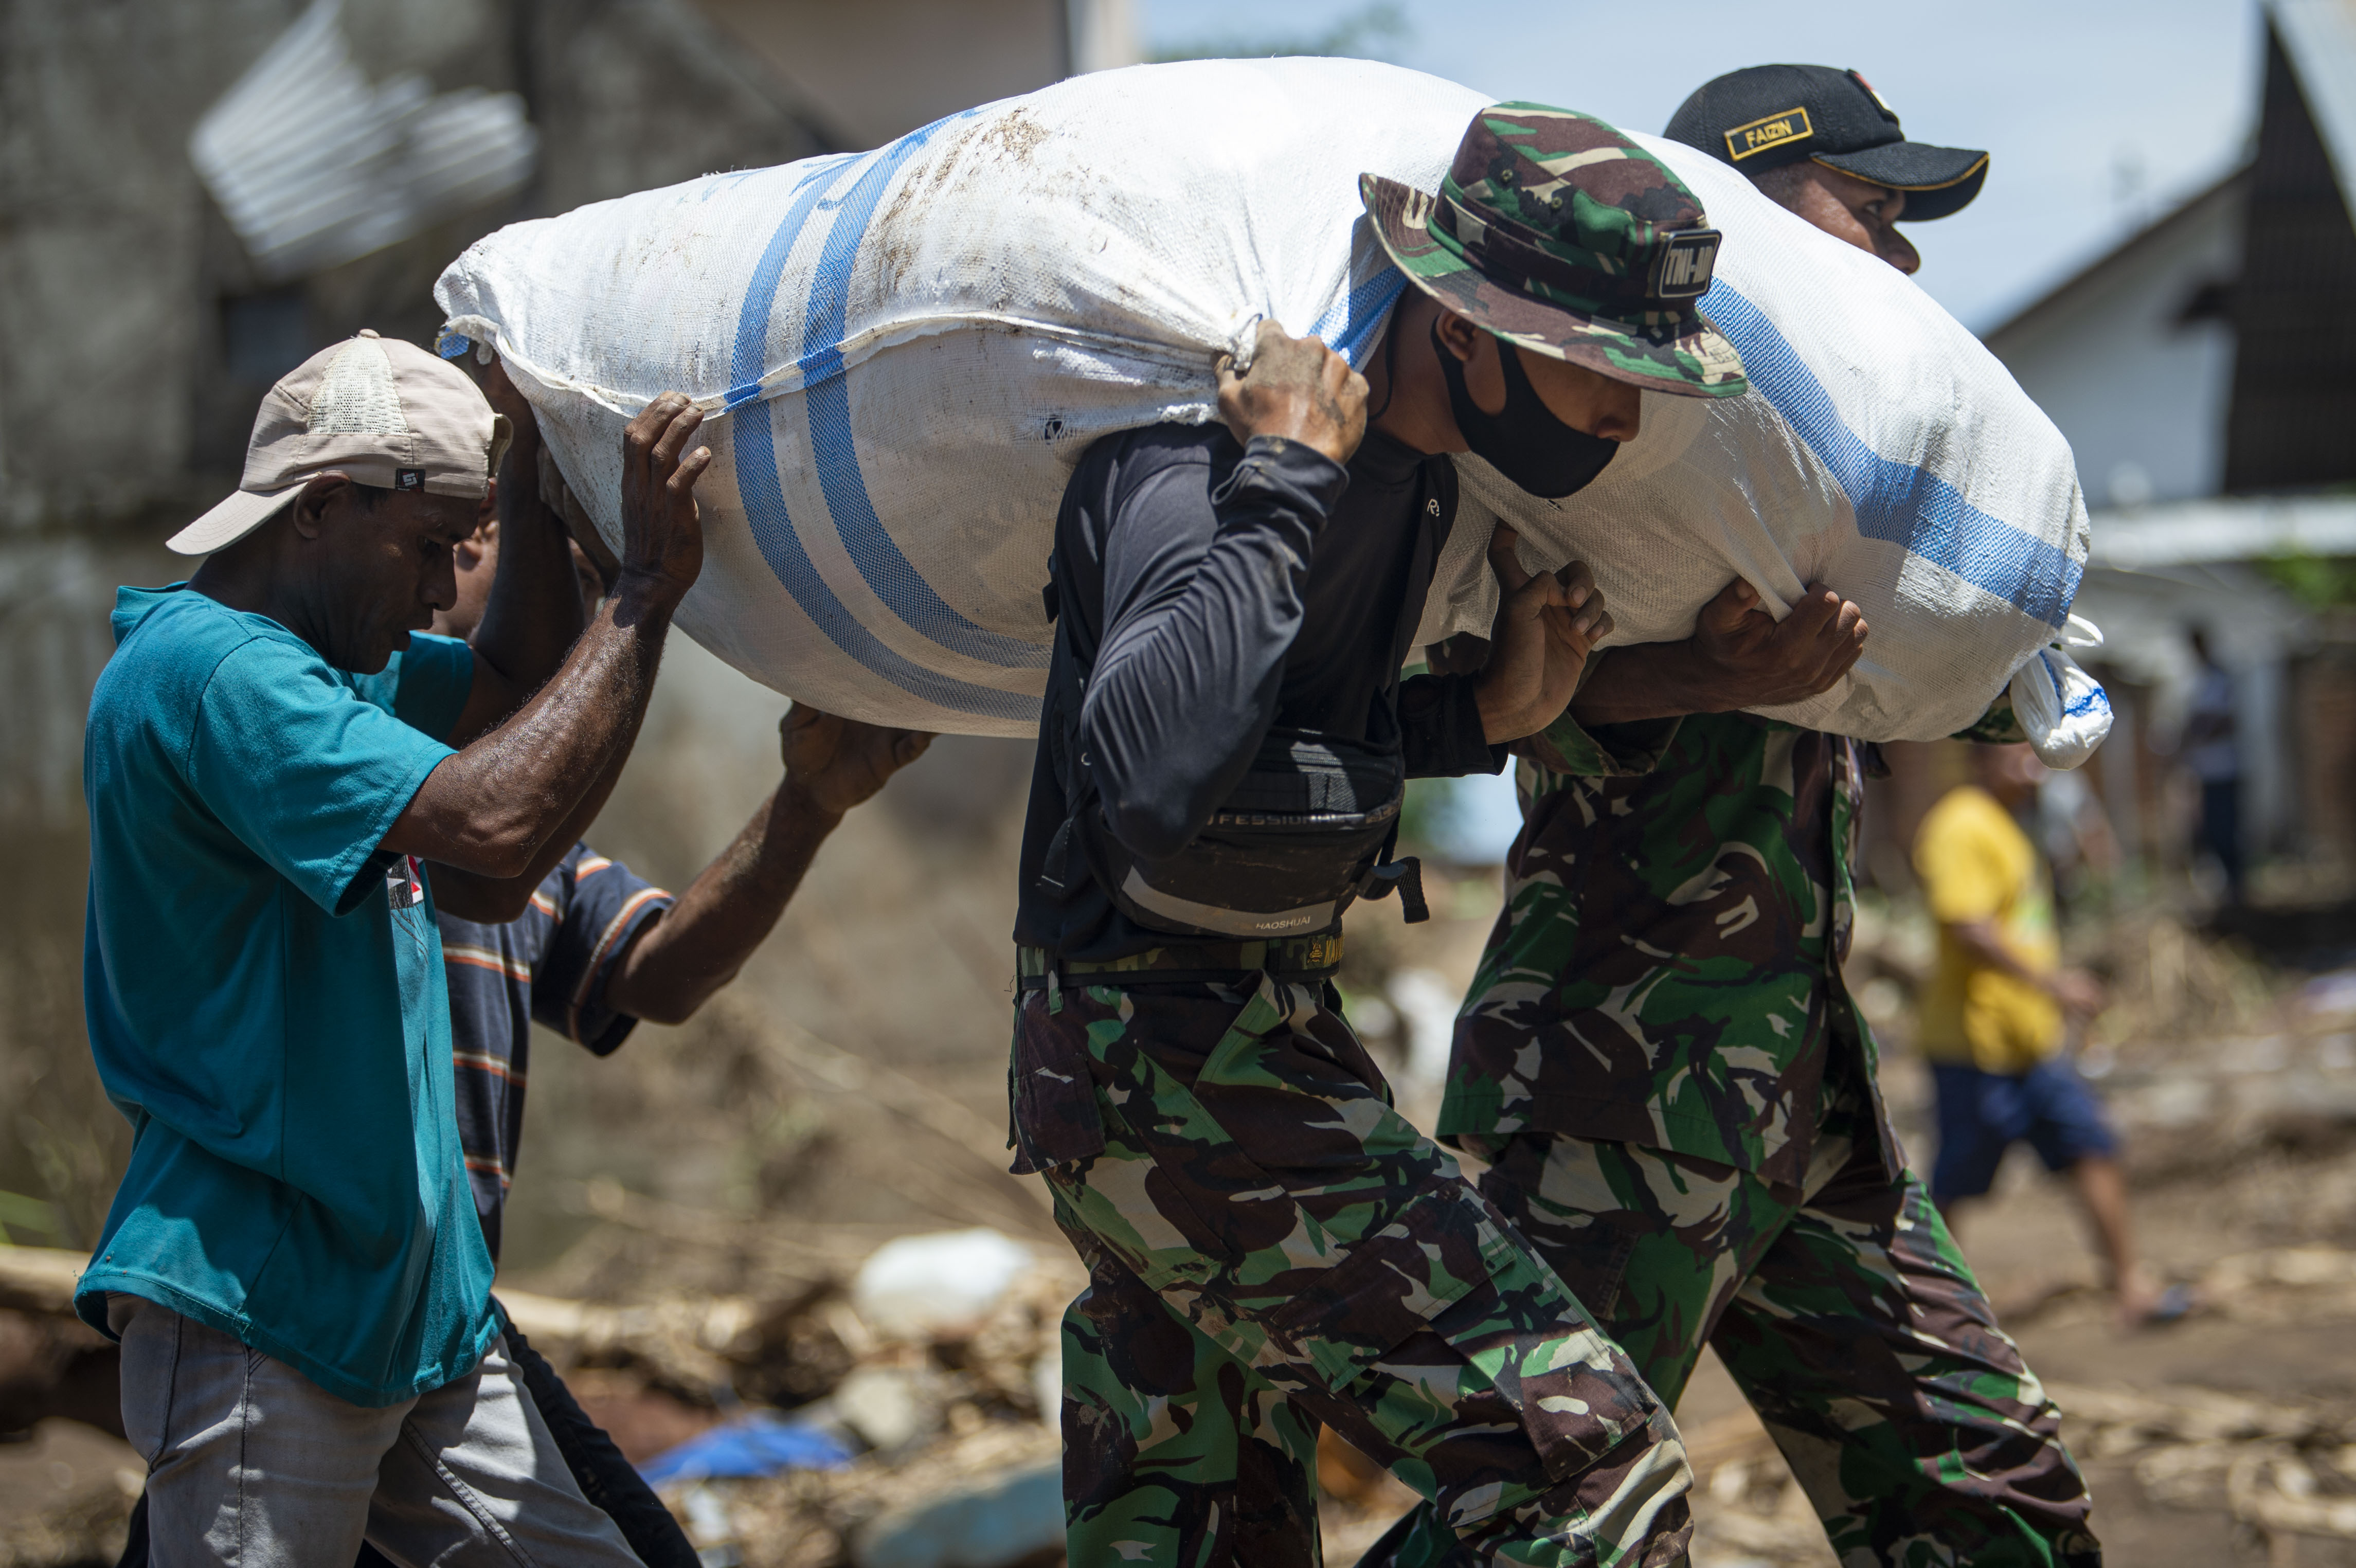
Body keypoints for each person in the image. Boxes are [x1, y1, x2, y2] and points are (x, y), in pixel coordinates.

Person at [1008, 105, 1748, 1568]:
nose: (1617, 418)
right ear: (1463, 330)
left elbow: (1285, 744)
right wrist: (1283, 474)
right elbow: (1151, 773)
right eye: (1593, 371)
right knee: (1587, 1468)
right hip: (1161, 1057)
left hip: (1239, 1041)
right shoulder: (1202, 459)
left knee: (1206, 1536)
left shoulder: (1413, 486)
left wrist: (1484, 710)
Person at [1396, 65, 2102, 1568]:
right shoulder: (1613, 441)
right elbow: (1502, 681)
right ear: (1759, 203)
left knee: (1996, 1506)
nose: (1903, 254)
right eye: (1877, 206)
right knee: (1547, 1521)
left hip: (1806, 1101)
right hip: (1629, 1071)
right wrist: (1706, 668)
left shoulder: (1808, 469)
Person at [80, 327, 711, 1565]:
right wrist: (640, 591)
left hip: (410, 1303)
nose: (438, 589)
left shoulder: (331, 673)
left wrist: (525, 469)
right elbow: (494, 825)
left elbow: (519, 681)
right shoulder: (216, 675)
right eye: (429, 548)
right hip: (267, 1298)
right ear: (320, 508)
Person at [1915, 743, 2184, 1328]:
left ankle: (2132, 1285)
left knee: (2091, 1145)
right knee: (1958, 1180)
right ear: (1981, 757)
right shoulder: (1960, 824)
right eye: (2016, 751)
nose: (2032, 765)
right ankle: (1932, 1311)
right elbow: (1968, 927)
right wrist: (2053, 984)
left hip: (2032, 1045)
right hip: (1975, 1045)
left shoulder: (2013, 827)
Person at [2182, 626, 2244, 902]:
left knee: (2226, 827)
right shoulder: (2200, 681)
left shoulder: (2220, 679)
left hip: (2224, 769)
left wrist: (2200, 731)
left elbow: (2228, 721)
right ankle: (2228, 885)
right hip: (2207, 770)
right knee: (2211, 827)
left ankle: (2237, 885)